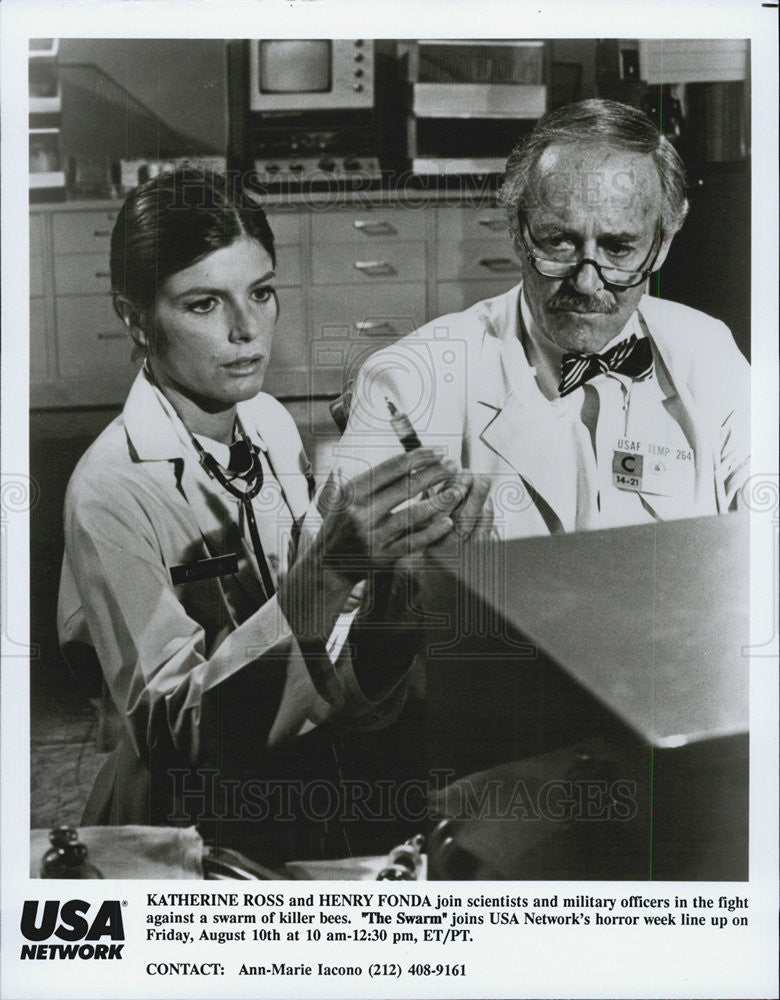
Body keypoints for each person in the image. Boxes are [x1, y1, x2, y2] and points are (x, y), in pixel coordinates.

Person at [56, 168, 486, 864]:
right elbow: (178, 742)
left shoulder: (269, 424)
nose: (246, 330)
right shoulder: (108, 489)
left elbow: (320, 663)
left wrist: (397, 589)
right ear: (134, 316)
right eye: (203, 304)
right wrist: (330, 571)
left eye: (260, 293)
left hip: (297, 785)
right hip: (183, 829)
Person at [333, 99, 750, 537]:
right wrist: (440, 582)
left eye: (619, 248)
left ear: (661, 248)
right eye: (560, 242)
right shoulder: (417, 376)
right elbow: (336, 589)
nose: (588, 283)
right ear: (517, 232)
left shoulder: (707, 349)